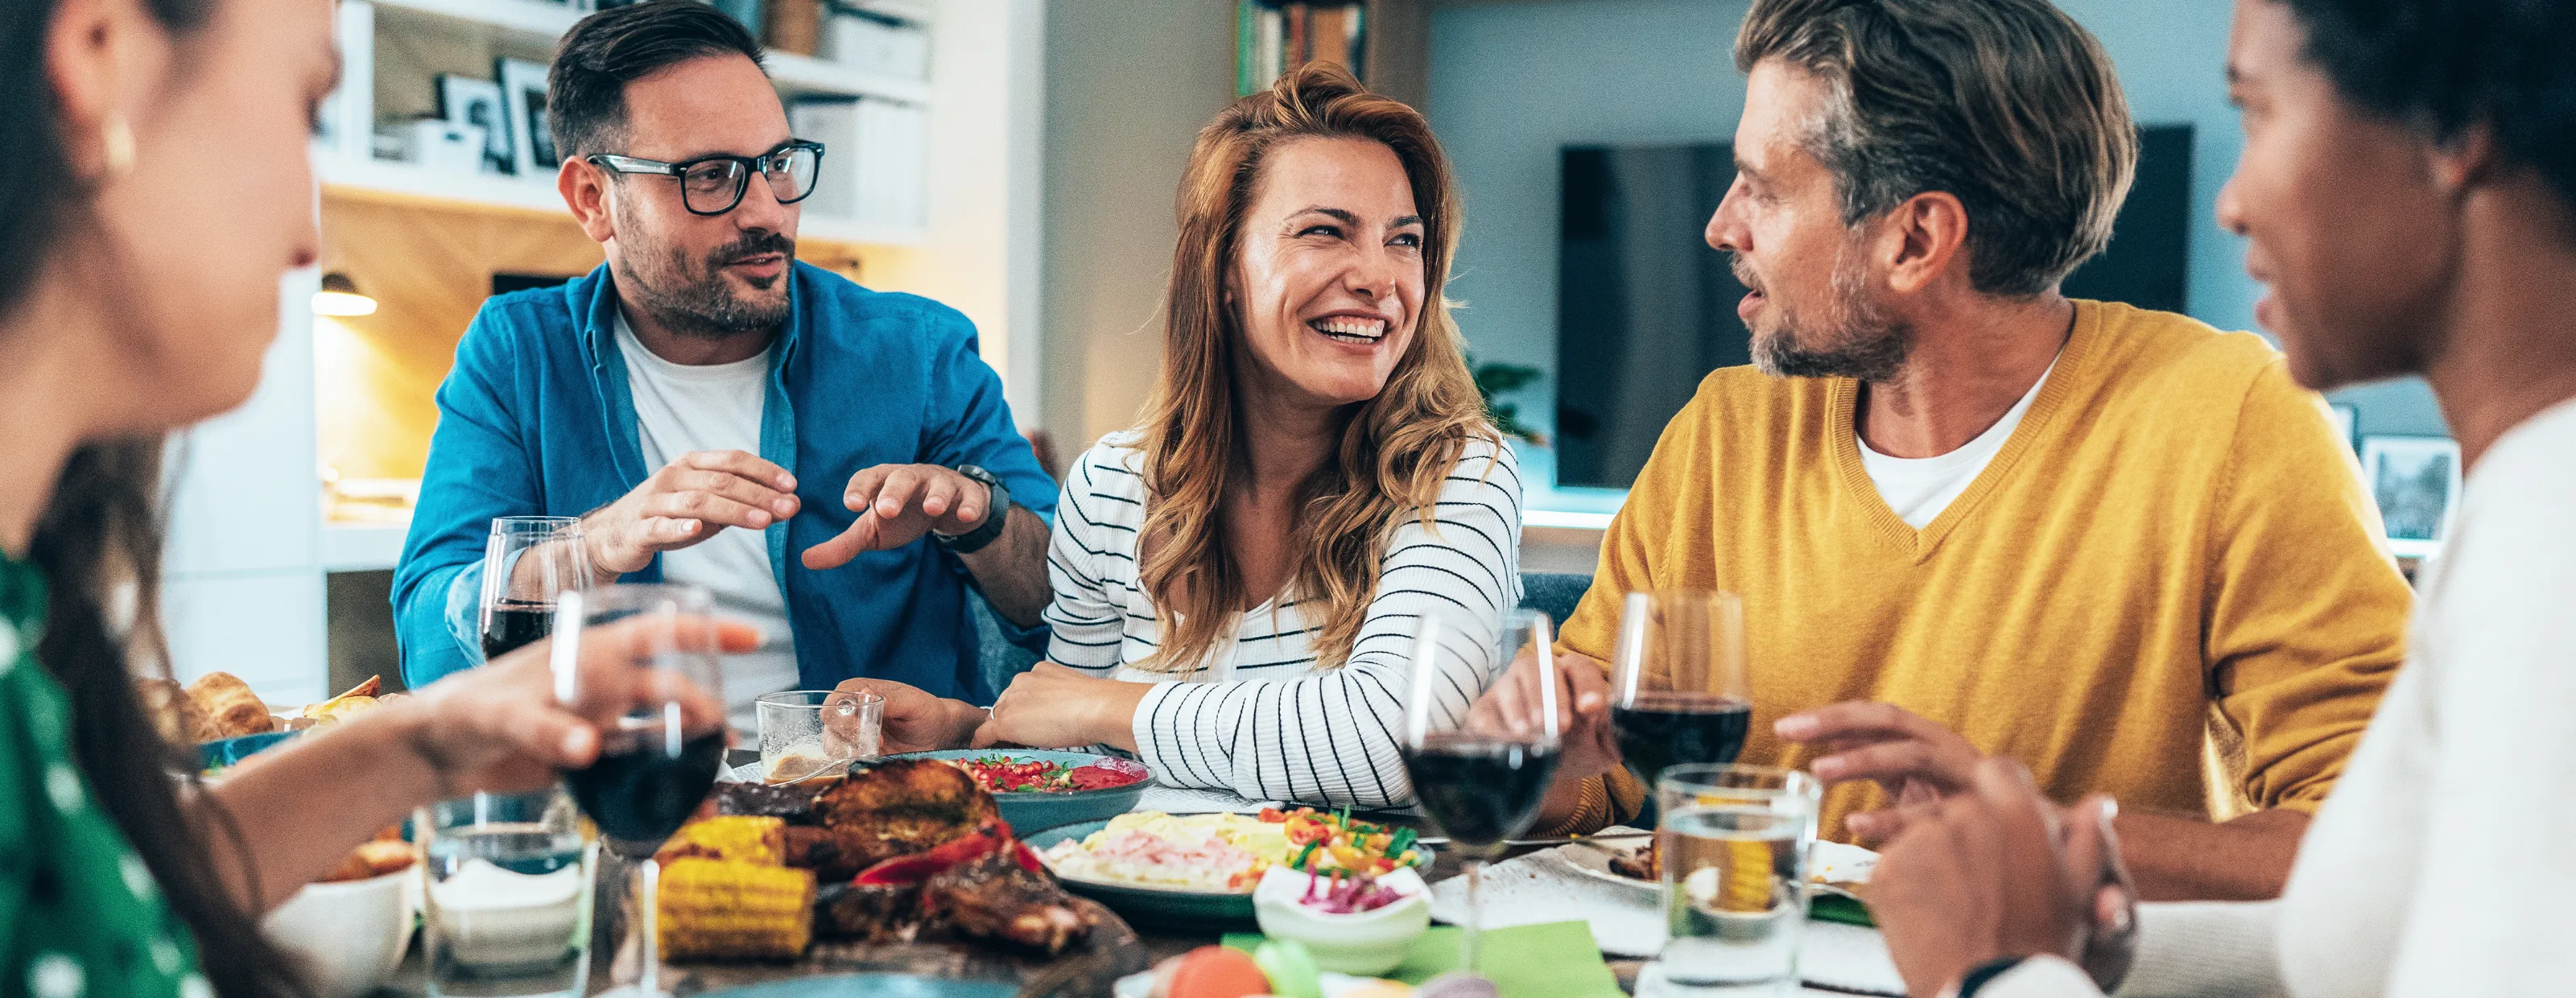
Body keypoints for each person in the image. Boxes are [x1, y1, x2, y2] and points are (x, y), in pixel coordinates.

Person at [1472, 0, 2413, 901]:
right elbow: (1592, 782)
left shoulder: (2234, 421)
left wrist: (2040, 841)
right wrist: (1541, 754)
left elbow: (2384, 847)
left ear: (1915, 237)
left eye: (1760, 187)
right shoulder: (1724, 430)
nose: (1721, 225)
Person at [0, 1, 750, 996]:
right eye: (309, 106)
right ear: (101, 62)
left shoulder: (30, 622)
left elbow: (110, 895)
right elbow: (436, 593)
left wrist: (424, 742)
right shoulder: (515, 346)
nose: (311, 234)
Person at [1865, 0, 2576, 994]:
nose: (2229, 203)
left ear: (2454, 129)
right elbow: (2369, 950)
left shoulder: (2552, 555)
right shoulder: (2519, 507)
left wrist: (1996, 969)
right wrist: (2098, 945)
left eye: (2257, 113)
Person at [832, 64, 1522, 809]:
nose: (1380, 278)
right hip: (1151, 903)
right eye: (1326, 232)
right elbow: (1087, 759)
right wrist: (968, 734)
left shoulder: (1460, 475)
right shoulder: (1112, 487)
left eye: (1404, 241)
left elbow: (1402, 744)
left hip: (1358, 909)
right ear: (1222, 266)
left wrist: (1104, 706)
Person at [391, 1, 1056, 724]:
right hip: (623, 787)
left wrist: (981, 518)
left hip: (873, 795)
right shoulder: (518, 353)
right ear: (593, 199)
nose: (767, 211)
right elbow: (429, 641)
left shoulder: (918, 351)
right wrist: (596, 544)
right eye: (710, 175)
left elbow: (1067, 609)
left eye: (777, 164)